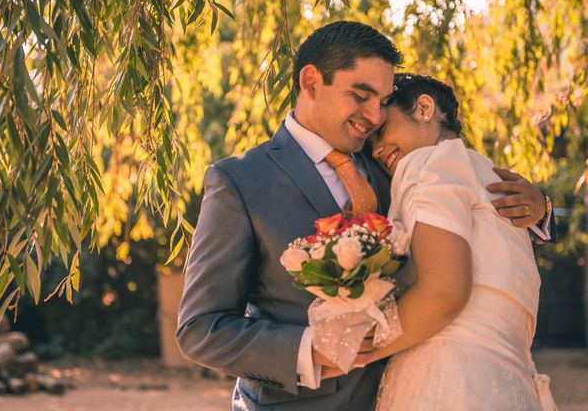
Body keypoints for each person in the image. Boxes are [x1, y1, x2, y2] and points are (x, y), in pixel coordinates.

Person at [176, 21, 554, 410]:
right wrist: (310, 350)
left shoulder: (397, 162)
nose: (374, 116)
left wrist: (541, 209)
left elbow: (467, 220)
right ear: (310, 82)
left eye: (384, 100)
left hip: (415, 391)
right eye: (361, 96)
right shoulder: (240, 182)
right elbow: (200, 330)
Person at [365, 73, 557, 410]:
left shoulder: (425, 163)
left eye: (380, 131)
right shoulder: (486, 174)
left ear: (424, 107)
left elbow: (443, 294)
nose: (377, 150)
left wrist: (348, 350)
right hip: (510, 382)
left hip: (448, 379)